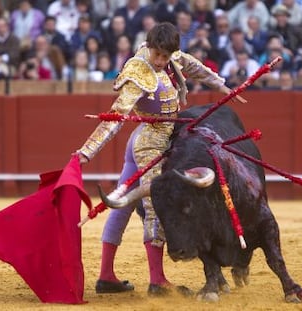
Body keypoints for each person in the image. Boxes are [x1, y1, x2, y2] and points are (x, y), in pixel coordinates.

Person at [74, 22, 246, 296]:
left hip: (160, 138)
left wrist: (222, 86)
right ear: (149, 47)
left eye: (166, 57)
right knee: (154, 204)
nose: (161, 61)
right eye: (158, 55)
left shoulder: (170, 56)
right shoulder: (138, 71)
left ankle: (106, 276)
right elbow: (116, 117)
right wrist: (87, 151)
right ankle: (157, 280)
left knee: (121, 204)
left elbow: (191, 65)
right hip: (149, 144)